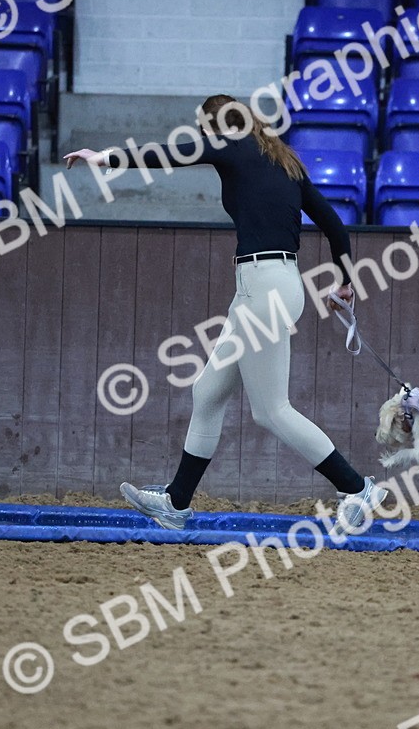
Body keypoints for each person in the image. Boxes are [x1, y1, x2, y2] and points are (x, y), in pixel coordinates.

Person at [64, 94, 385, 532]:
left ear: (217, 125)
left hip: (264, 286)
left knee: (271, 410)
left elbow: (169, 154)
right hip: (266, 284)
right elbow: (333, 223)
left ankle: (356, 487)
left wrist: (103, 157)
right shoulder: (286, 164)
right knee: (208, 392)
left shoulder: (230, 145)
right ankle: (176, 503)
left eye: (203, 127)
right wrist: (344, 282)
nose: (201, 135)